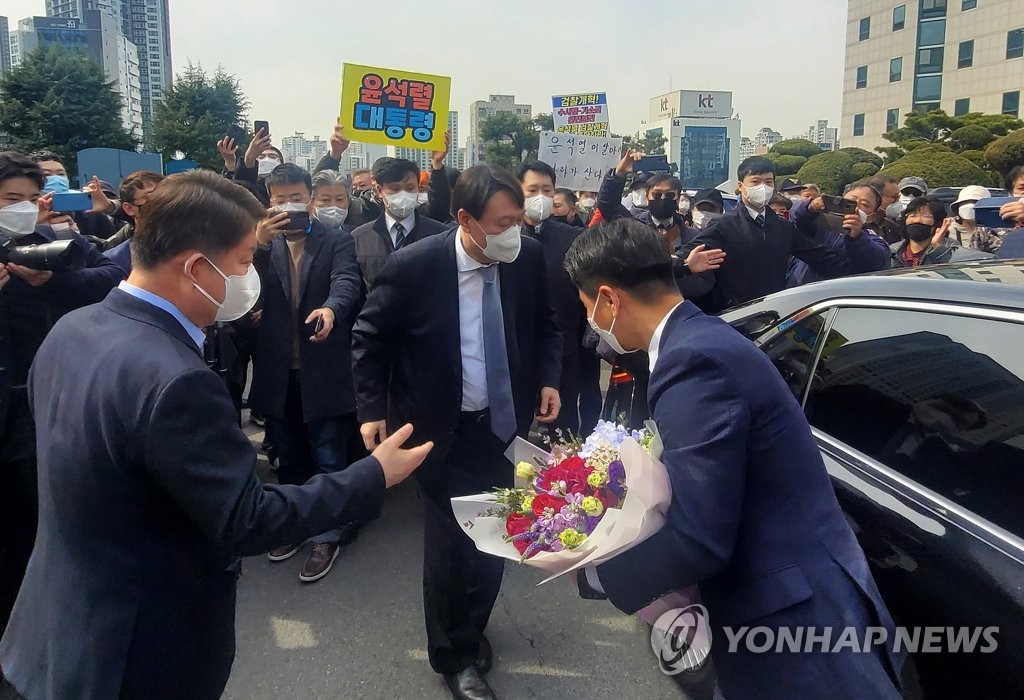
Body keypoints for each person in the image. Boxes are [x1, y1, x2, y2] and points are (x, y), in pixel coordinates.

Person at [0, 170, 432, 700]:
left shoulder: (74, 329)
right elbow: (246, 519)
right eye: (247, 260)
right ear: (197, 268)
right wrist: (373, 474)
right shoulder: (177, 380)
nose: (251, 276)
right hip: (135, 656)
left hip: (53, 634)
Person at [563, 218, 903, 700]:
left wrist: (596, 571)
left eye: (587, 308)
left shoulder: (692, 363)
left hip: (792, 615)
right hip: (797, 586)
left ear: (609, 299)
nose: (592, 323)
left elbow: (701, 538)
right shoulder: (700, 336)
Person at [352, 165, 562, 700]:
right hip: (439, 428)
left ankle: (472, 627)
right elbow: (369, 337)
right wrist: (372, 408)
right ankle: (453, 657)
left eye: (519, 218)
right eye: (503, 221)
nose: (515, 230)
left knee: (498, 534)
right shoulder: (415, 266)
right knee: (451, 544)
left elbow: (546, 325)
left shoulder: (526, 257)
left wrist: (548, 379)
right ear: (466, 220)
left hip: (505, 423)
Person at [0, 152, 124, 636]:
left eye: (32, 199)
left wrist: (55, 278)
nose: (25, 208)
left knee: (41, 523)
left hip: (41, 406)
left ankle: (35, 629)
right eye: (12, 199)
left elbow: (112, 277)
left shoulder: (50, 240)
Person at [248, 164, 365, 583]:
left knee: (328, 455)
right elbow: (238, 285)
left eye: (296, 197)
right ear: (268, 202)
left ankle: (328, 534)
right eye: (280, 200)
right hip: (278, 370)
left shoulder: (336, 240)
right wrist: (258, 245)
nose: (289, 207)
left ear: (310, 198)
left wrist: (332, 308)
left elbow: (347, 282)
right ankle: (295, 525)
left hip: (323, 367)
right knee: (290, 457)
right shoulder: (258, 245)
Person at [682, 156, 856, 312]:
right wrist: (682, 265)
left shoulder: (783, 228)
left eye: (768, 182)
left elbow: (823, 258)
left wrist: (857, 241)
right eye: (755, 182)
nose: (763, 187)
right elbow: (686, 254)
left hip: (772, 313)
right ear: (741, 186)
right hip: (733, 315)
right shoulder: (723, 225)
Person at [516, 162, 586, 435]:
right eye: (532, 189)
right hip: (517, 352)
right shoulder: (503, 236)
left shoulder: (573, 238)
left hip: (563, 351)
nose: (540, 196)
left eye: (547, 190)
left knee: (562, 432)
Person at [349, 157, 449, 291]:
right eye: (395, 189)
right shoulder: (360, 238)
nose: (403, 195)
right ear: (379, 190)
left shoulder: (439, 235)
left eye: (410, 188)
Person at [787, 184, 891, 287]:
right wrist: (810, 208)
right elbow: (796, 218)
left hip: (834, 298)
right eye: (851, 200)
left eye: (864, 204)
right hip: (797, 290)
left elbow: (877, 260)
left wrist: (856, 237)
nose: (856, 206)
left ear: (871, 216)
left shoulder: (871, 238)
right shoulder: (821, 223)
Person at [102, 170, 166, 272]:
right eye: (149, 197)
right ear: (129, 208)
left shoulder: (193, 238)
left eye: (165, 194)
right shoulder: (115, 260)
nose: (161, 201)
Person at [889, 197, 955, 268]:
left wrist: (937, 247)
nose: (917, 220)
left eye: (926, 216)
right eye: (912, 215)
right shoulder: (892, 251)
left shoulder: (951, 247)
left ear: (937, 222)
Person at [948, 185, 999, 252]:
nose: (969, 206)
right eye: (965, 202)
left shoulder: (996, 232)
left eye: (975, 202)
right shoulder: (947, 231)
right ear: (958, 207)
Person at [866, 174, 902, 244]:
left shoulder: (892, 226)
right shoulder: (857, 224)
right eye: (895, 197)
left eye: (899, 197)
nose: (898, 200)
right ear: (877, 197)